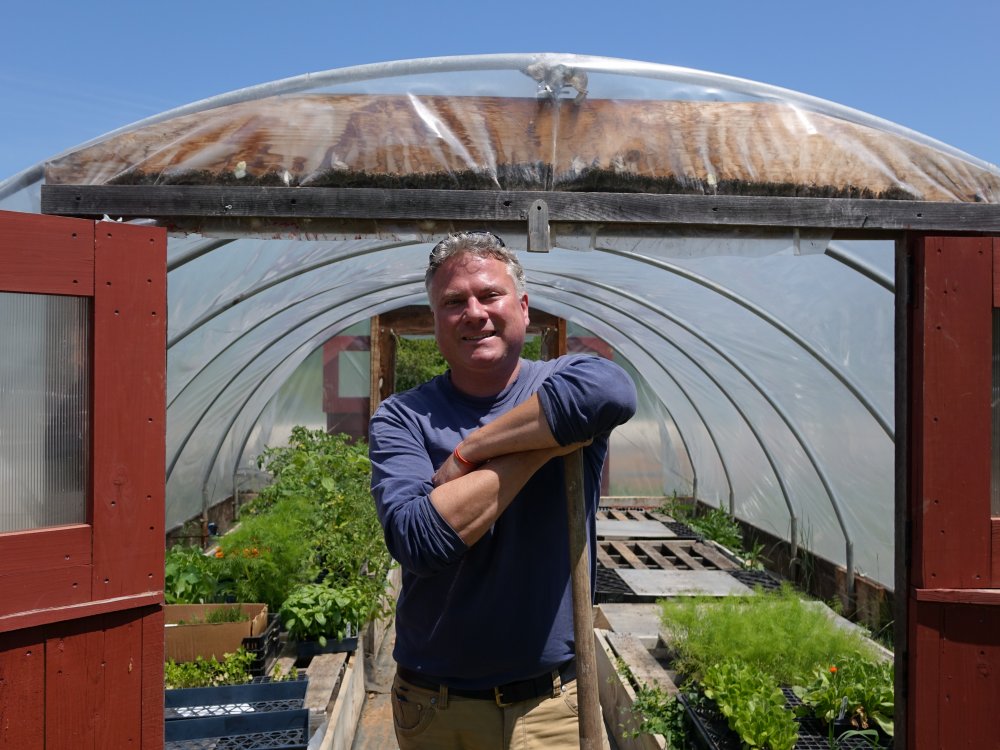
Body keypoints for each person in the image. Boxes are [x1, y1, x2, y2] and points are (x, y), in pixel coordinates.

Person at [368, 230, 637, 750]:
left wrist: (470, 454)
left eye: (490, 294)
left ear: (524, 307)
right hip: (438, 707)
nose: (474, 312)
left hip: (555, 705)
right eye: (454, 302)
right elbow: (420, 541)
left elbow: (613, 391)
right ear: (435, 321)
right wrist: (549, 442)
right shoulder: (402, 417)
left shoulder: (565, 376)